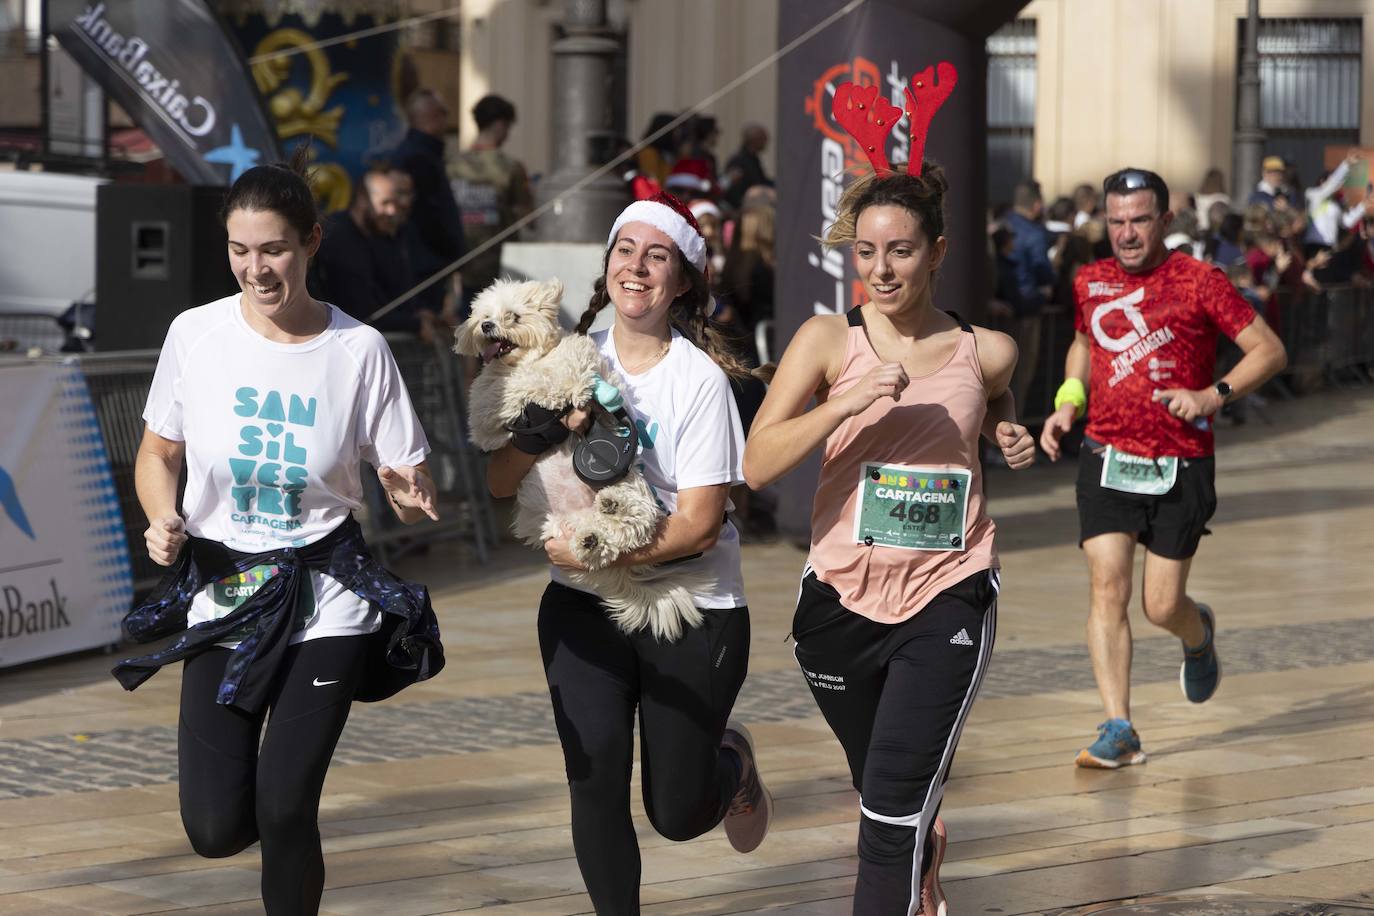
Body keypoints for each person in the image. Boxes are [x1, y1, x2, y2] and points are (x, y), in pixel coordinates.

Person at [110, 153, 445, 914]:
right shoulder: (195, 335)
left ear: (312, 242)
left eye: (273, 249)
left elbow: (402, 467)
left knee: (287, 807)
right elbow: (159, 454)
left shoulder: (358, 350)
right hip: (226, 595)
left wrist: (406, 485)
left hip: (326, 599)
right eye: (239, 250)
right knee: (215, 826)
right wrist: (162, 517)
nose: (255, 268)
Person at [743, 164, 1036, 913]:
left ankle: (905, 858)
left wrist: (1003, 424)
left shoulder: (987, 348)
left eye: (900, 251)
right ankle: (922, 846)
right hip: (840, 598)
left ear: (936, 252)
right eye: (867, 253)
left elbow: (996, 390)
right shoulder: (826, 340)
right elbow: (757, 461)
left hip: (949, 591)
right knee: (878, 783)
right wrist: (843, 407)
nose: (881, 269)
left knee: (889, 810)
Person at [484, 191, 771, 915]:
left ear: (681, 282)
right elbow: (496, 483)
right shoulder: (558, 361)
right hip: (583, 609)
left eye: (658, 255)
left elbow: (702, 526)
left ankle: (729, 763)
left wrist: (596, 554)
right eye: (624, 250)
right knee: (594, 777)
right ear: (606, 266)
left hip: (690, 609)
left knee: (675, 814)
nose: (637, 267)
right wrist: (536, 436)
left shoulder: (698, 381)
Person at [1039, 167, 1287, 769]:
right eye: (1116, 220)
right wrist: (1067, 403)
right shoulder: (1089, 279)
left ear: (1166, 221)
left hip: (1181, 463)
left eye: (1140, 220)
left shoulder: (1201, 281)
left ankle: (1196, 634)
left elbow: (1271, 351)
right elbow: (1083, 343)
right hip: (1106, 455)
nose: (1126, 233)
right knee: (1107, 587)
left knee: (1159, 606)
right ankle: (1118, 726)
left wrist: (1212, 395)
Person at [448, 93, 535, 314]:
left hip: (461, 264)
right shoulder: (511, 167)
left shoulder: (451, 166)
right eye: (508, 127)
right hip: (499, 269)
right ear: (500, 124)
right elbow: (528, 216)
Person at [309, 165, 420, 334]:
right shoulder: (340, 237)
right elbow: (362, 312)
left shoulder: (378, 237)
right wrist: (415, 325)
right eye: (385, 203)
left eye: (396, 204)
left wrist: (418, 316)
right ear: (363, 199)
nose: (392, 211)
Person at [393, 88, 465, 319]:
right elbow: (429, 215)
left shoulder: (421, 152)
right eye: (443, 112)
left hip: (425, 258)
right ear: (433, 116)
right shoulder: (419, 157)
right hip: (424, 261)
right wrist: (452, 248)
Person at [1005, 179, 1055, 418]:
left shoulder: (1003, 224)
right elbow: (1044, 272)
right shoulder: (1035, 235)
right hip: (1026, 313)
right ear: (1036, 205)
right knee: (1020, 377)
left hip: (999, 311)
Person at [722, 122, 772, 210]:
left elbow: (761, 180)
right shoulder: (738, 161)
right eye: (763, 139)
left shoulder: (754, 159)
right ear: (755, 140)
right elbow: (733, 190)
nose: (766, 142)